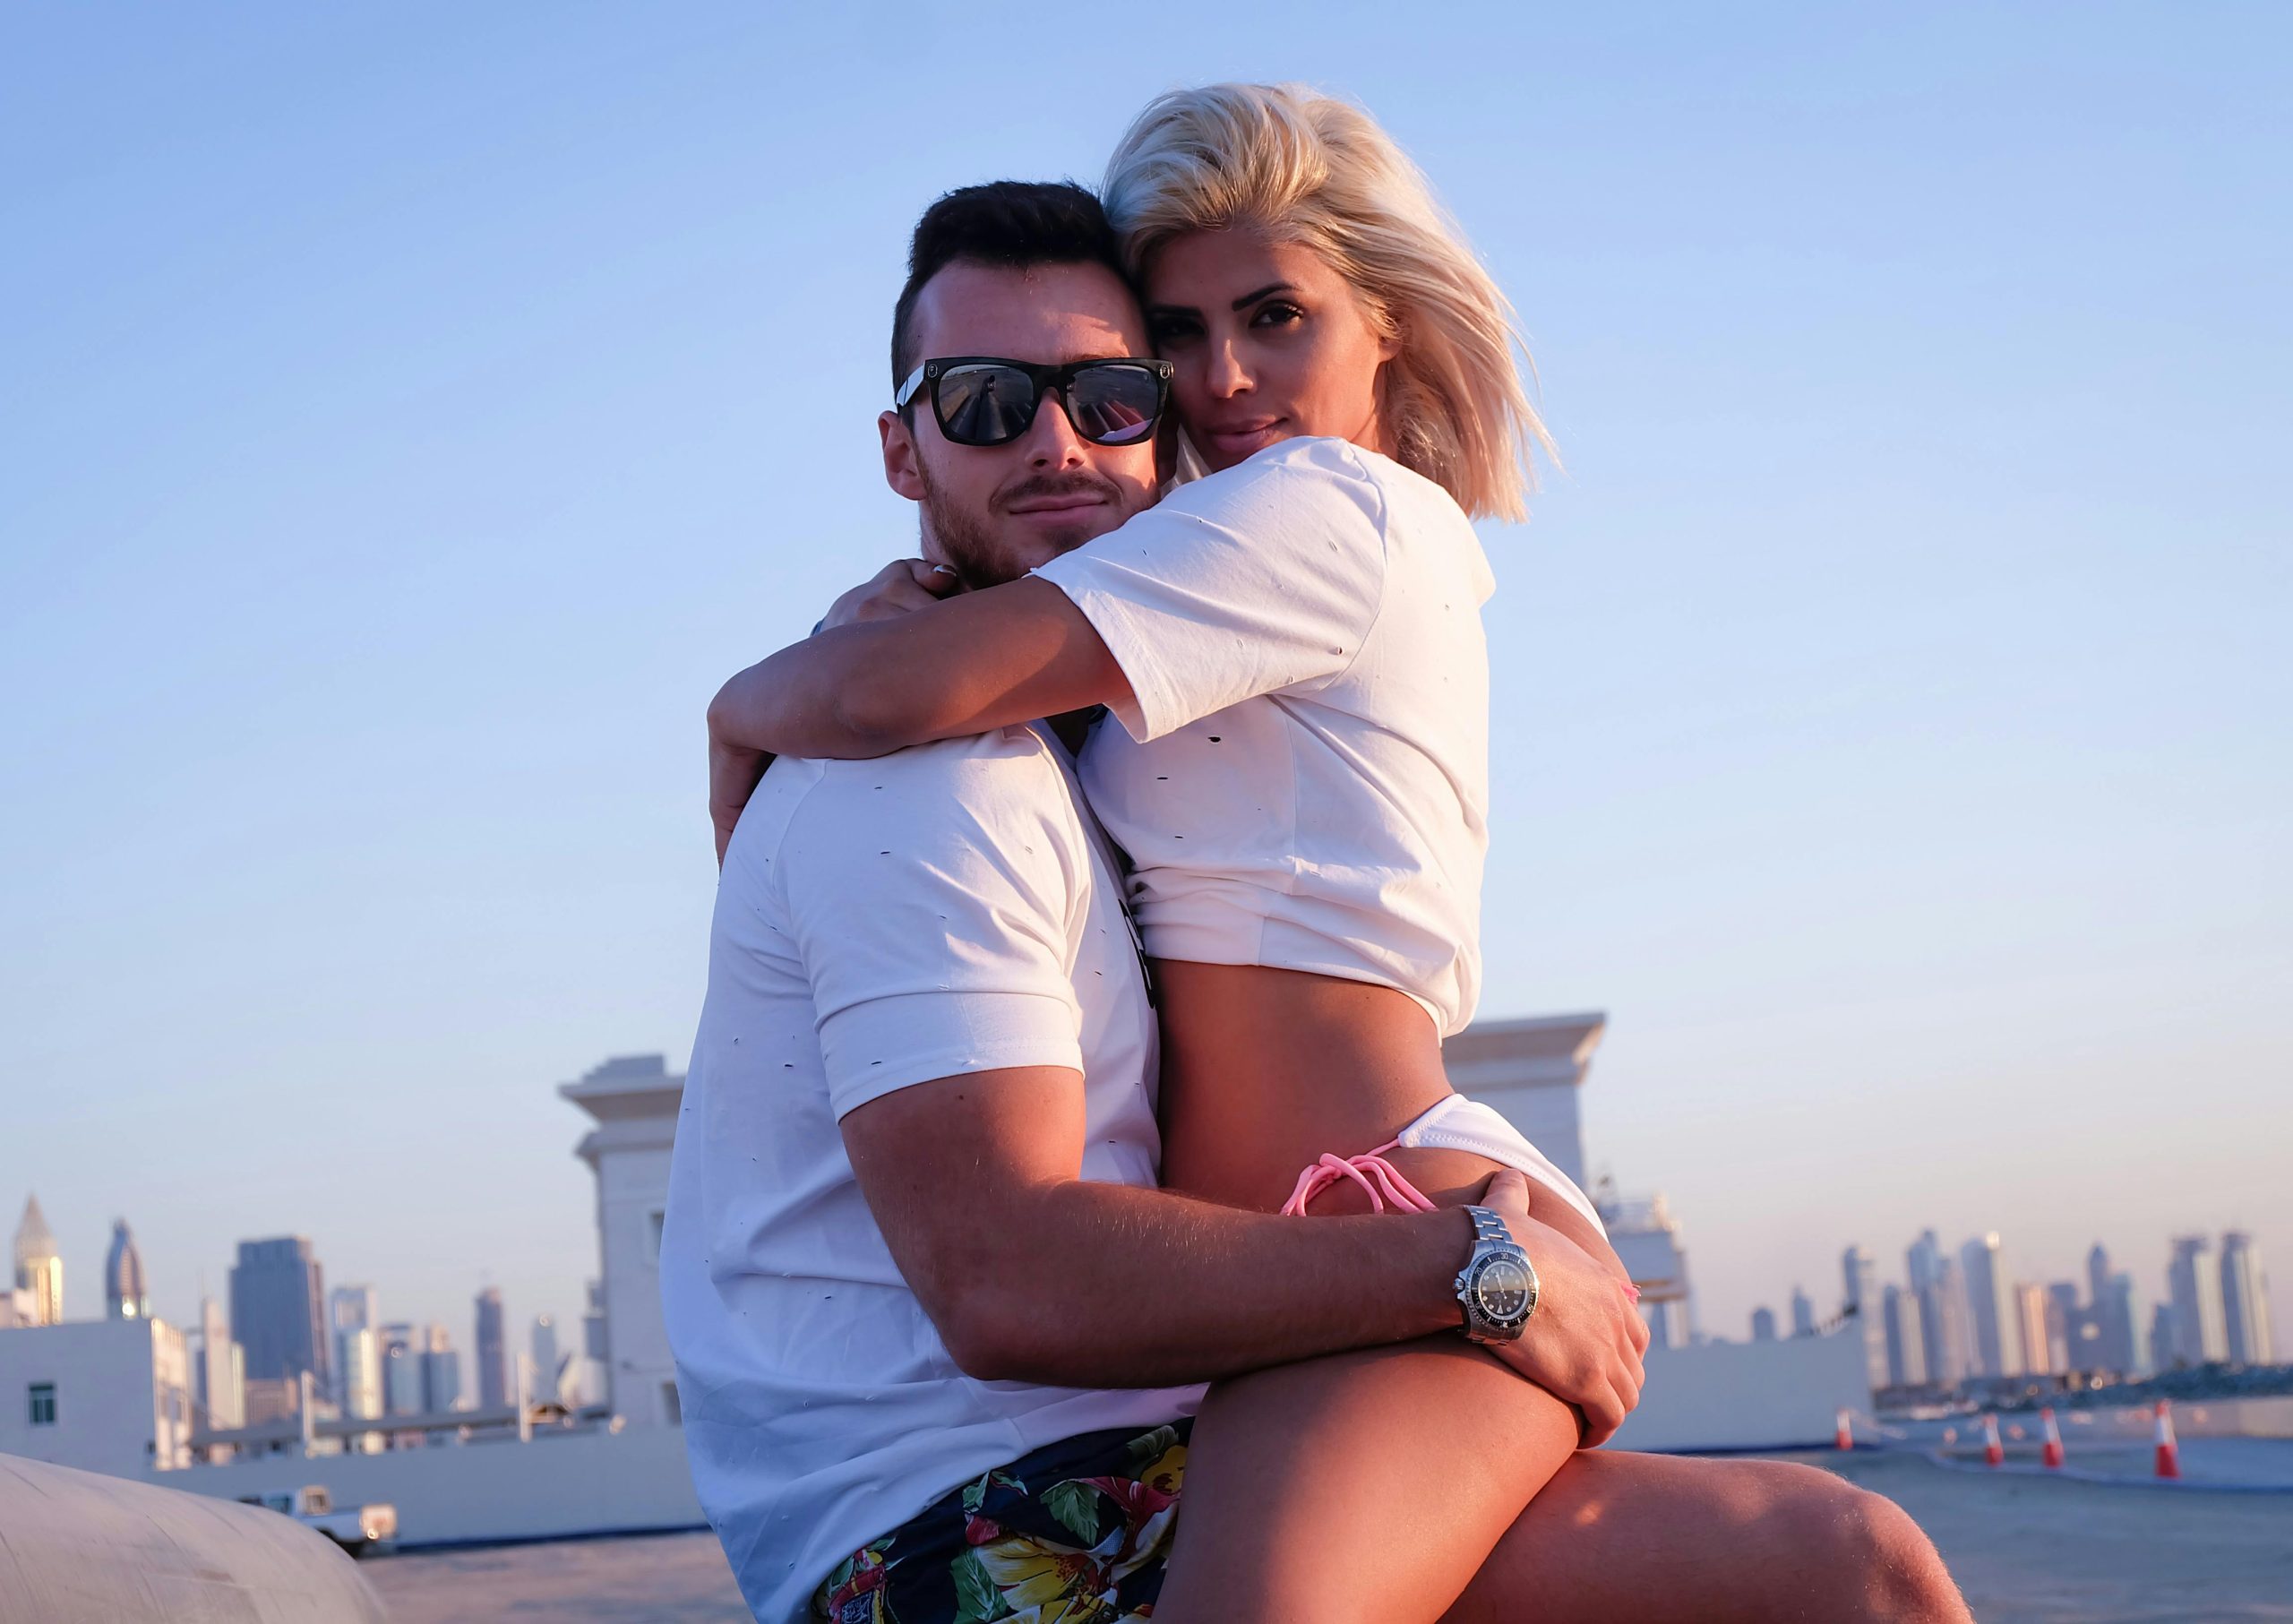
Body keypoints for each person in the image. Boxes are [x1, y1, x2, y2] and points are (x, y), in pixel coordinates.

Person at [678, 161, 1967, 1624]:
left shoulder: (1217, 608)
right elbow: (1003, 1277)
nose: (1058, 441)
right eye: (984, 401)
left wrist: (751, 700)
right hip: (996, 1510)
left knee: (1848, 1571)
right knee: (1842, 1574)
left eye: (1111, 399)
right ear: (904, 452)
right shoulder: (936, 769)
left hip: (1243, 1361)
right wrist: (1474, 1268)